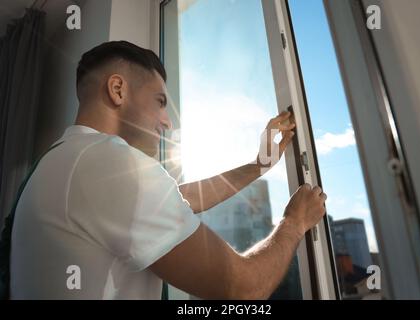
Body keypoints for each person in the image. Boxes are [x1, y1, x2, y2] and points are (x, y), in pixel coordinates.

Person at [9, 41, 326, 299]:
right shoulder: (110, 161)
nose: (167, 121)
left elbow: (179, 198)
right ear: (117, 90)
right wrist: (295, 222)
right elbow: (243, 287)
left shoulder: (63, 160)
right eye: (160, 101)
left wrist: (258, 165)